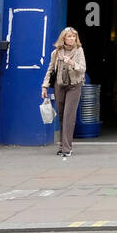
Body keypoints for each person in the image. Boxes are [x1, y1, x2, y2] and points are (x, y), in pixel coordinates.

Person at [42, 27, 87, 158]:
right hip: (59, 86)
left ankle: (67, 148)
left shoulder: (79, 51)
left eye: (74, 37)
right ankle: (62, 145)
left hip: (74, 85)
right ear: (64, 38)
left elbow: (82, 69)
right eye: (69, 36)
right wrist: (44, 87)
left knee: (69, 116)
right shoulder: (56, 53)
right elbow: (50, 70)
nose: (72, 39)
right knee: (61, 115)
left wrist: (72, 63)